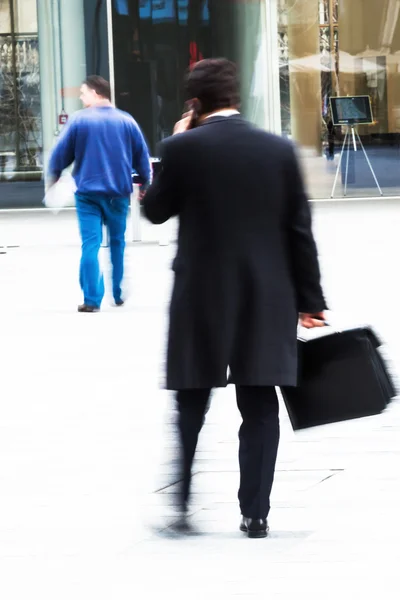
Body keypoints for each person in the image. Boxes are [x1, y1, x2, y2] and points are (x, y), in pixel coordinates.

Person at [142, 58, 326, 538]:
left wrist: (177, 140)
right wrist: (311, 299)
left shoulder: (183, 148)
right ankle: (255, 514)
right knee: (261, 404)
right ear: (236, 98)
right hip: (267, 296)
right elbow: (298, 230)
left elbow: (156, 212)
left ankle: (181, 508)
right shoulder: (278, 150)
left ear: (196, 103)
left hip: (201, 298)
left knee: (190, 403)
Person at [48, 75, 151, 312]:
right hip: (118, 193)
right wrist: (145, 183)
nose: (82, 98)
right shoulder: (127, 121)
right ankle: (117, 294)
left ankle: (91, 300)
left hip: (87, 194)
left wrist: (54, 177)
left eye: (83, 93)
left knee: (90, 245)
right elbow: (141, 157)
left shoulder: (78, 121)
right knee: (117, 243)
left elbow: (60, 155)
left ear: (96, 93)